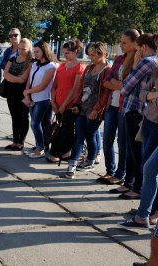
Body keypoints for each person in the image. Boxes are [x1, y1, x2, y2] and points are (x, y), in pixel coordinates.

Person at [115, 33, 158, 200]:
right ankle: (131, 184)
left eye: (138, 49)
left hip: (134, 111)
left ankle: (136, 187)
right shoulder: (153, 62)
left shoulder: (146, 62)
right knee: (135, 152)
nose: (136, 52)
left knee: (136, 152)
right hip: (140, 111)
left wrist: (134, 65)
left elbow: (125, 88)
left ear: (144, 48)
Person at [98, 29, 140, 185]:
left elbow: (132, 86)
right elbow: (106, 81)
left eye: (124, 42)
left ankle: (120, 174)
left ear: (134, 44)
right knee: (107, 140)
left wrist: (119, 85)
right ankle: (110, 170)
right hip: (112, 105)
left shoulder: (137, 60)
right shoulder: (118, 60)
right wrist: (121, 85)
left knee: (122, 144)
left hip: (125, 108)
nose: (120, 45)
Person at [64, 42, 111, 179]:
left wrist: (97, 110)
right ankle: (72, 165)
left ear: (102, 54)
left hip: (95, 111)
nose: (90, 58)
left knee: (90, 135)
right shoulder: (89, 68)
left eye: (93, 55)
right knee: (79, 136)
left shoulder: (107, 70)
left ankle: (90, 160)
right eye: (89, 55)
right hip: (82, 108)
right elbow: (81, 87)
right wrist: (77, 104)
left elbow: (105, 94)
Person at [47, 39, 85, 163]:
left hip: (69, 105)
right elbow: (55, 84)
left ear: (75, 52)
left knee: (66, 130)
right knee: (61, 129)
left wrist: (63, 105)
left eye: (68, 53)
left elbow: (75, 89)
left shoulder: (79, 67)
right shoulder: (62, 66)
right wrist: (53, 101)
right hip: (57, 103)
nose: (65, 55)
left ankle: (56, 153)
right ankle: (65, 153)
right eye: (64, 52)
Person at [23, 41, 57, 159]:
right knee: (41, 123)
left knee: (35, 123)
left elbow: (43, 86)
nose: (35, 54)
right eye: (34, 51)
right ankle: (42, 145)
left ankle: (40, 148)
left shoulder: (51, 66)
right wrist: (27, 95)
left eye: (38, 51)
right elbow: (29, 81)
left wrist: (27, 92)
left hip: (43, 99)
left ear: (45, 51)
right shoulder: (34, 64)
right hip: (33, 98)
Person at [3, 38, 33, 151]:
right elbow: (5, 74)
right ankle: (15, 141)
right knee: (14, 117)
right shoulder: (13, 58)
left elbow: (23, 79)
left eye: (24, 49)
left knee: (23, 117)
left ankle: (21, 142)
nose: (21, 51)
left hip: (22, 93)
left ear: (29, 48)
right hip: (10, 92)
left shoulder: (31, 61)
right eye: (19, 48)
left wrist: (11, 78)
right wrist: (15, 78)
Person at [1, 28, 21, 140]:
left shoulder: (24, 49)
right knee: (13, 113)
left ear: (20, 35)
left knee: (21, 114)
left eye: (15, 35)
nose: (13, 37)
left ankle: (20, 138)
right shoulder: (8, 51)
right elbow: (3, 63)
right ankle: (15, 135)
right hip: (9, 84)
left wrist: (10, 69)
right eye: (10, 36)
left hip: (20, 85)